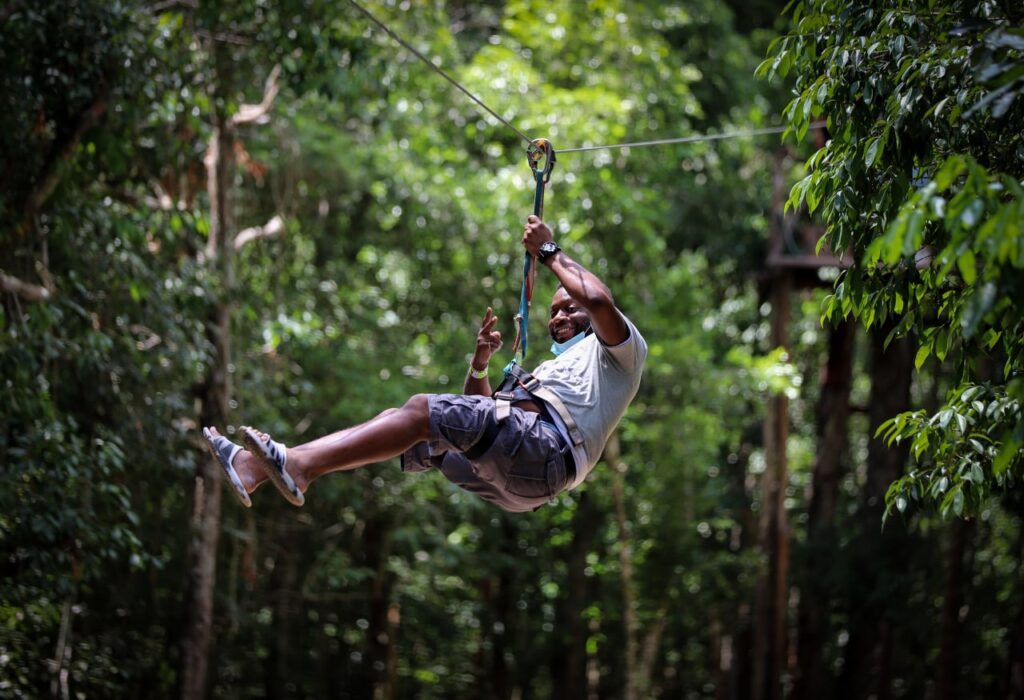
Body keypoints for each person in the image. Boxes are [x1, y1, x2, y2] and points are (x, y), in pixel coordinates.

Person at [203, 215, 647, 512]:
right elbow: (479, 418)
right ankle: (257, 470)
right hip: (520, 470)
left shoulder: (618, 354)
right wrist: (479, 368)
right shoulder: (552, 373)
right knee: (406, 425)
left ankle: (299, 467)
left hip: (545, 455)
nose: (560, 314)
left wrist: (549, 250)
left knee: (421, 410)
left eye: (570, 308)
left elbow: (597, 297)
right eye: (553, 311)